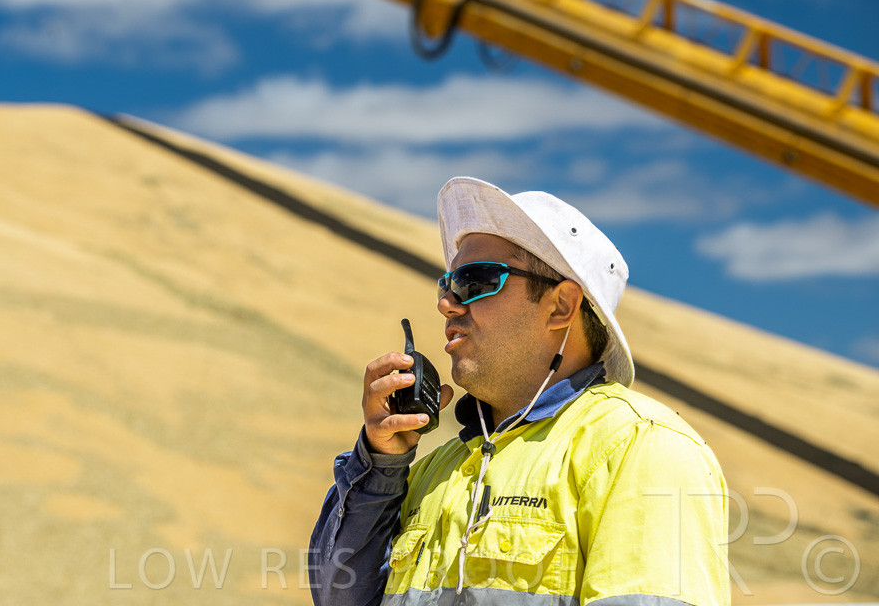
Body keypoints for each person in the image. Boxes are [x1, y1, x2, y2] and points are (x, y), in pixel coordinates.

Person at [309, 177, 729, 606]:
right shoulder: (431, 472)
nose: (446, 303)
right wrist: (380, 465)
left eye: (475, 280)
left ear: (561, 306)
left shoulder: (639, 446)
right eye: (446, 284)